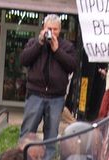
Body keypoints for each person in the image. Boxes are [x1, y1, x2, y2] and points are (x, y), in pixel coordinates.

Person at [19, 14, 77, 143]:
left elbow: (72, 66)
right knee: (27, 131)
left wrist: (57, 50)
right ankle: (22, 155)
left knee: (51, 134)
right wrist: (39, 44)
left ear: (60, 30)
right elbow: (23, 60)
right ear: (43, 28)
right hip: (35, 94)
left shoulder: (67, 47)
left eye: (55, 29)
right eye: (49, 29)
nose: (52, 32)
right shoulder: (33, 42)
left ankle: (48, 157)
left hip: (56, 97)